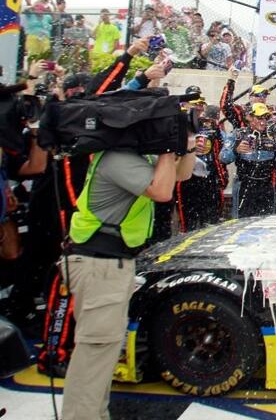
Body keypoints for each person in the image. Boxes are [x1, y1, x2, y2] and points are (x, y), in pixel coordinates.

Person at [60, 143, 196, 420]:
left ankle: (94, 414)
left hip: (111, 263)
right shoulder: (118, 157)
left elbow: (180, 176)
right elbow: (162, 191)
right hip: (100, 263)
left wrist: (188, 146)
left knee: (104, 352)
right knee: (95, 352)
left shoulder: (134, 155)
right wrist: (168, 150)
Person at [220, 103, 276, 217]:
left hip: (266, 185)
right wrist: (236, 150)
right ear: (249, 117)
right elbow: (223, 158)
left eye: (266, 118)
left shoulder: (274, 136)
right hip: (245, 183)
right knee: (240, 222)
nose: (263, 122)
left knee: (265, 222)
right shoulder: (238, 134)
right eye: (259, 118)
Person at [174, 103, 227, 231]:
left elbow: (220, 152)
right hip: (186, 178)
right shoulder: (178, 123)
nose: (197, 107)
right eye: (193, 103)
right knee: (187, 222)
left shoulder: (212, 126)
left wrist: (222, 176)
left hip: (208, 177)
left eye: (200, 104)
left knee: (209, 222)